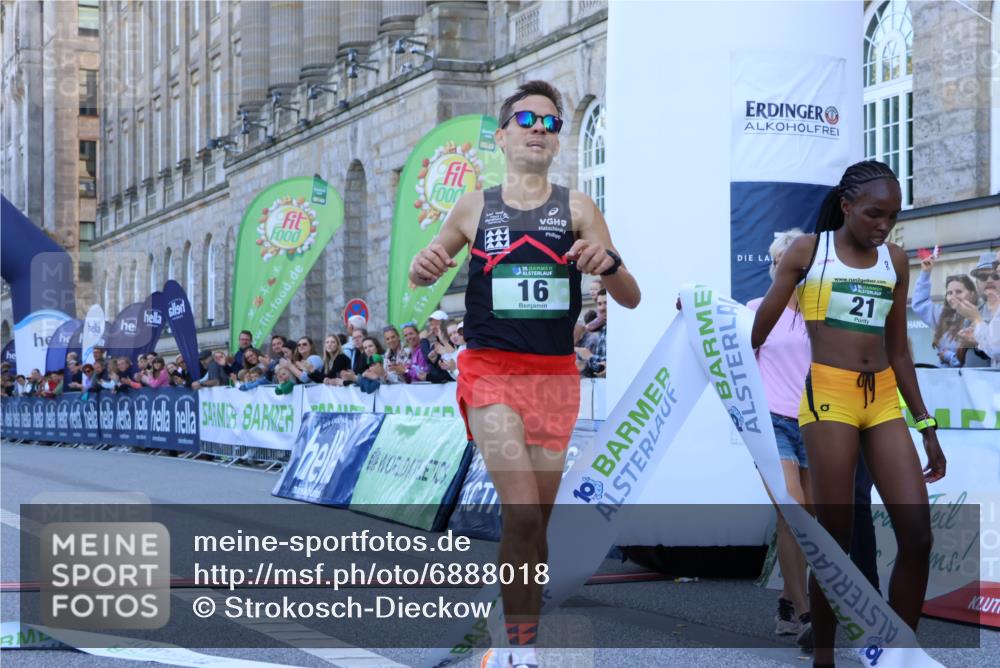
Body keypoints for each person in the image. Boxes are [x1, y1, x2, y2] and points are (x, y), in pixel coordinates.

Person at [409, 80, 640, 668]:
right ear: (503, 135)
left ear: (558, 141)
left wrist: (609, 263)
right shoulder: (473, 207)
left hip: (554, 379)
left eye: (551, 122)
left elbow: (630, 296)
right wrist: (421, 266)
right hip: (490, 372)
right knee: (522, 510)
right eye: (527, 120)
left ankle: (519, 640)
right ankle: (513, 652)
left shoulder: (580, 208)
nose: (540, 129)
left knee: (537, 526)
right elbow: (425, 270)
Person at [751, 160, 946, 668]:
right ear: (846, 207)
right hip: (829, 398)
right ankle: (823, 655)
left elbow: (898, 350)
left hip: (882, 399)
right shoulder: (808, 252)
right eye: (874, 214)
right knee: (834, 539)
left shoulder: (894, 261)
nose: (884, 225)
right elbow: (757, 330)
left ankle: (898, 653)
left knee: (918, 535)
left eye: (892, 217)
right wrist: (703, 324)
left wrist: (926, 425)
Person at [746, 228, 814, 638]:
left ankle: (788, 603)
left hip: (816, 422)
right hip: (773, 423)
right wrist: (692, 310)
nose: (784, 269)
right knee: (794, 512)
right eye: (778, 262)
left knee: (808, 520)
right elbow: (719, 338)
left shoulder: (820, 311)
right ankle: (805, 614)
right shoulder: (756, 309)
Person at [911, 254, 979, 367]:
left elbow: (982, 356)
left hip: (971, 377)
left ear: (972, 294)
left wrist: (950, 357)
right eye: (949, 293)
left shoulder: (980, 317)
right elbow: (920, 303)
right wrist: (925, 273)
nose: (953, 296)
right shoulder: (942, 315)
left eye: (959, 292)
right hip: (944, 377)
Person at [956, 252, 1000, 368]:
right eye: (983, 277)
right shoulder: (971, 313)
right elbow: (959, 357)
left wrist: (977, 341)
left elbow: (996, 348)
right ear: (977, 283)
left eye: (995, 276)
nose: (989, 280)